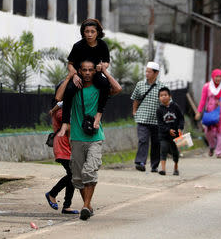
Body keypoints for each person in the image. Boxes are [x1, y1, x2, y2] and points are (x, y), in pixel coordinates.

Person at [57, 60, 121, 221]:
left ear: (94, 72)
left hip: (95, 138)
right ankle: (88, 205)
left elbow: (117, 89)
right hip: (77, 139)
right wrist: (69, 77)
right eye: (84, 70)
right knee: (77, 177)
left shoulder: (99, 89)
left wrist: (105, 71)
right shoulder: (74, 89)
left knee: (89, 171)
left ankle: (86, 205)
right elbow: (58, 97)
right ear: (79, 70)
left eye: (90, 70)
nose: (87, 73)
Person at [62, 18, 111, 130]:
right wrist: (74, 75)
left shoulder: (102, 45)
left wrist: (102, 66)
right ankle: (65, 122)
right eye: (86, 31)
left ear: (97, 32)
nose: (89, 34)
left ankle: (98, 115)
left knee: (105, 85)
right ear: (83, 32)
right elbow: (70, 64)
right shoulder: (78, 46)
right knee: (69, 90)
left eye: (92, 32)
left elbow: (107, 62)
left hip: (96, 74)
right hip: (79, 75)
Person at [45, 100, 79, 214]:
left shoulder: (62, 109)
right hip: (63, 145)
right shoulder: (61, 111)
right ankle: (52, 194)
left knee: (72, 175)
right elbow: (68, 126)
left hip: (66, 145)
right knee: (73, 174)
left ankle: (67, 206)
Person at [131, 62, 166, 172]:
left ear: (156, 73)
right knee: (143, 140)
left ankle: (154, 165)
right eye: (146, 71)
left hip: (157, 121)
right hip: (142, 118)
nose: (146, 73)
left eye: (149, 72)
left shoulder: (162, 87)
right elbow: (136, 98)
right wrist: (134, 111)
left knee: (156, 143)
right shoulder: (140, 84)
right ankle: (140, 162)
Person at [195, 69, 221, 158]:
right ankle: (212, 146)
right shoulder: (207, 86)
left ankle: (219, 152)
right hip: (210, 113)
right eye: (216, 76)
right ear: (213, 77)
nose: (218, 79)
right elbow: (203, 100)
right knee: (208, 132)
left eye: (220, 77)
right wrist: (199, 111)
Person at [156, 87, 184, 176]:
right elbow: (160, 123)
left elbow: (181, 118)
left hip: (175, 134)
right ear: (159, 98)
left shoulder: (175, 106)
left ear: (169, 96)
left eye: (165, 95)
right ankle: (163, 169)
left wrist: (180, 128)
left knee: (175, 152)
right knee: (163, 149)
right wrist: (168, 130)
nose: (163, 97)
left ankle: (176, 167)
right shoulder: (159, 110)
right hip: (164, 135)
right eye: (161, 95)